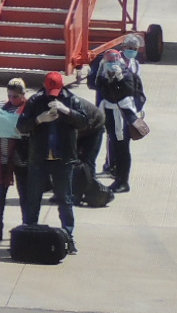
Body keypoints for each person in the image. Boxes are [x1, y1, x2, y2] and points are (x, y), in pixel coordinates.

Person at [16, 71, 84, 252]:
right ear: (45, 86)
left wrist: (67, 111)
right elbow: (21, 126)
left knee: (65, 200)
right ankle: (29, 233)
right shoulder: (35, 101)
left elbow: (84, 122)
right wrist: (39, 119)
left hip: (63, 159)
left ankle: (68, 237)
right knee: (33, 199)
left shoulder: (71, 100)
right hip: (39, 158)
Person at [90, 37, 145, 193]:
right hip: (109, 112)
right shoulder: (104, 70)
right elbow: (99, 86)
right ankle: (116, 174)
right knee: (114, 143)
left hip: (124, 114)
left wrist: (120, 77)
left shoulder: (128, 72)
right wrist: (102, 73)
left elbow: (131, 90)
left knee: (123, 147)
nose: (112, 63)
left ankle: (123, 181)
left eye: (135, 49)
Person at [0, 77, 29, 242]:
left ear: (23, 95)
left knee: (24, 195)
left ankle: (26, 226)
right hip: (3, 158)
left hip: (20, 159)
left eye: (15, 97)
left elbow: (30, 129)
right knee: (0, 195)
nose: (12, 100)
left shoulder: (27, 109)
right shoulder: (3, 106)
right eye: (10, 96)